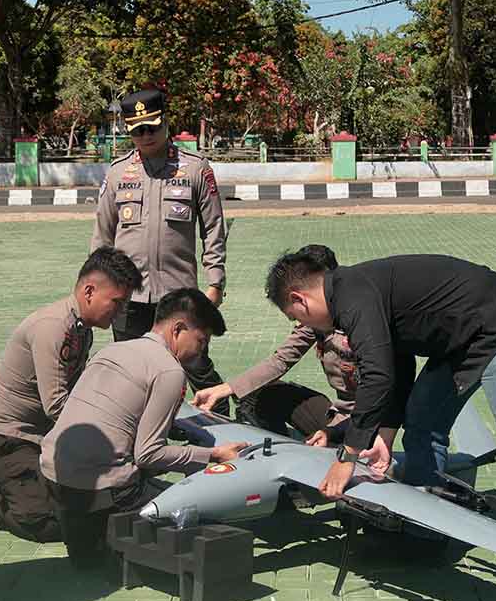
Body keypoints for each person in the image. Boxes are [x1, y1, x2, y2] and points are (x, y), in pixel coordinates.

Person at [264, 250, 496, 601]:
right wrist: (384, 436)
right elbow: (394, 370)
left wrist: (347, 457)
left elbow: (378, 377)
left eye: (295, 317)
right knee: (423, 422)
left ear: (298, 300)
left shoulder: (352, 296)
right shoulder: (354, 295)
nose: (308, 326)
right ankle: (425, 535)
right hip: (460, 343)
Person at [39, 288, 248, 567]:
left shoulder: (113, 349)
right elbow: (148, 454)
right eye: (201, 340)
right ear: (178, 329)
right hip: (104, 489)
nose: (202, 350)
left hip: (54, 474)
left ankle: (93, 539)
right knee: (199, 510)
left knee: (88, 561)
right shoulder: (169, 371)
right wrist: (212, 456)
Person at [0, 247, 142, 539]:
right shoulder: (54, 329)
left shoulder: (82, 328)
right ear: (89, 291)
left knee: (83, 507)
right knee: (42, 521)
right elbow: (57, 406)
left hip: (40, 438)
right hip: (6, 438)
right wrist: (109, 437)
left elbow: (79, 392)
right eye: (117, 303)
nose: (120, 312)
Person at [90, 88, 231, 414]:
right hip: (127, 295)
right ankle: (136, 433)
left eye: (152, 126)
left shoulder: (195, 169)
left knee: (195, 364)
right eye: (138, 130)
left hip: (178, 294)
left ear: (166, 121)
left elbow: (213, 229)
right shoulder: (117, 172)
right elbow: (102, 236)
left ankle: (222, 426)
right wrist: (100, 285)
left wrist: (215, 282)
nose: (146, 135)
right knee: (129, 370)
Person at [193, 245, 396, 450]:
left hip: (366, 421)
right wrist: (226, 389)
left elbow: (380, 384)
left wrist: (346, 440)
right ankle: (281, 452)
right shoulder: (317, 318)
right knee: (259, 396)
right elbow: (281, 359)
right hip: (339, 415)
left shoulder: (363, 320)